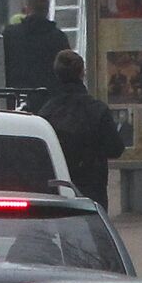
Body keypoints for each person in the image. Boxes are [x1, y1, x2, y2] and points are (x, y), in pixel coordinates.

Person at [38, 50, 125, 209]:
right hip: (92, 187)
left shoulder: (46, 112)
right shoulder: (97, 110)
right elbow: (116, 148)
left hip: (58, 187)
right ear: (81, 73)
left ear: (57, 74)